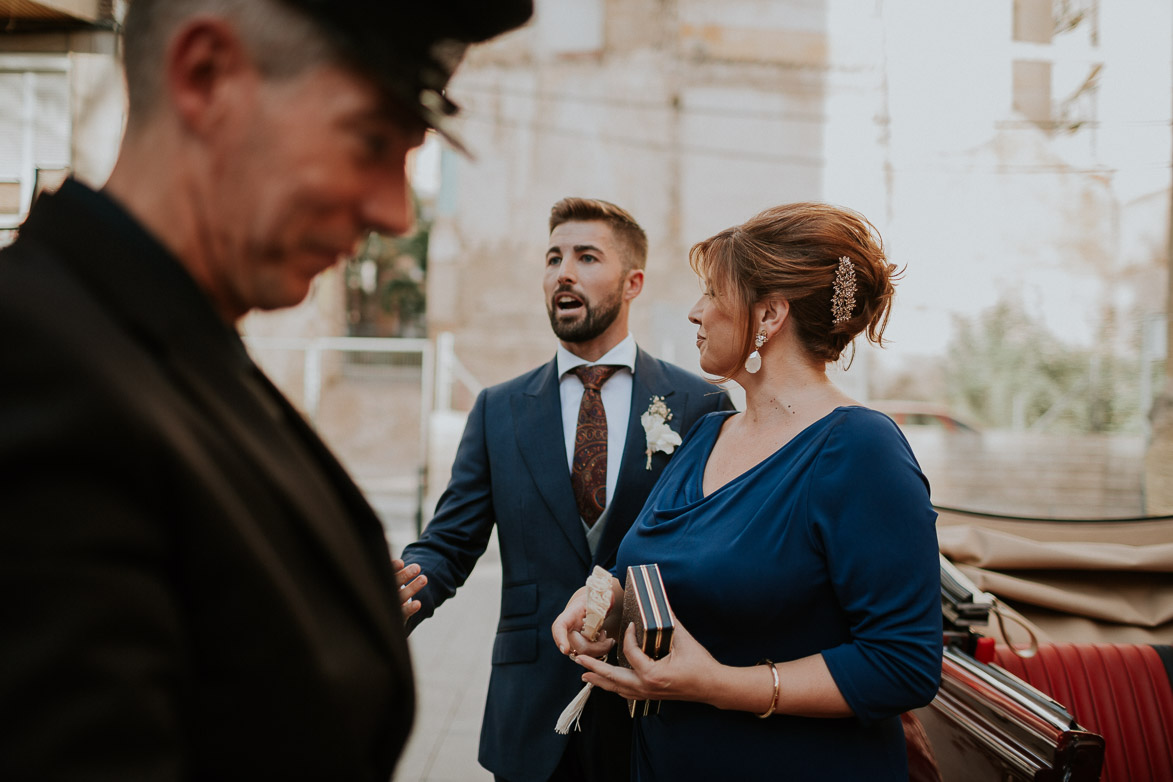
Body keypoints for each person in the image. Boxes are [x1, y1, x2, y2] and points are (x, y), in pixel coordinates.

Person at [0, 1, 531, 779]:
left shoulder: (172, 343)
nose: (391, 212)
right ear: (205, 77)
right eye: (371, 140)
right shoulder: (35, 368)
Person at [552, 202, 943, 780]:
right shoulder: (708, 433)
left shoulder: (861, 449)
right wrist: (602, 605)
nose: (695, 312)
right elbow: (656, 571)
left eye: (712, 292)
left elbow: (903, 663)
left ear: (770, 314)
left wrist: (722, 687)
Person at [395, 197, 733, 782]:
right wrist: (399, 593)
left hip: (654, 708)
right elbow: (449, 544)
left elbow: (716, 549)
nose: (563, 272)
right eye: (553, 258)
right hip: (532, 708)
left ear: (633, 282)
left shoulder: (701, 404)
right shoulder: (498, 409)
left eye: (585, 256)